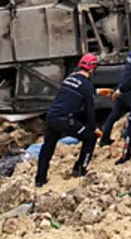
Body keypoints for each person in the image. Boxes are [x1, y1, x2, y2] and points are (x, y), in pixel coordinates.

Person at [34, 54, 99, 185]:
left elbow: (73, 93)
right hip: (65, 120)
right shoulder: (87, 85)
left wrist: (96, 91)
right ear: (92, 69)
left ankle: (40, 179)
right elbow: (89, 111)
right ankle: (80, 169)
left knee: (48, 146)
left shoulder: (70, 78)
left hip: (51, 116)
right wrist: (93, 128)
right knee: (90, 138)